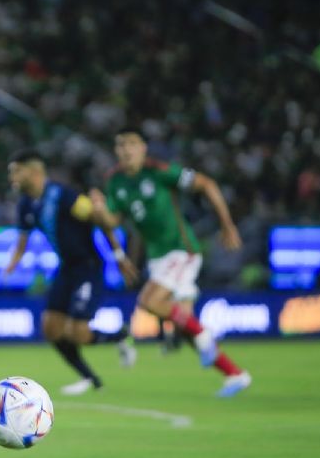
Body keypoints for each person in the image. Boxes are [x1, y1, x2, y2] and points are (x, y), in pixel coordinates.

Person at [90, 127, 252, 398]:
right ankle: (235, 374)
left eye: (132, 144)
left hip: (181, 249)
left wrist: (228, 225)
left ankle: (205, 336)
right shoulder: (115, 181)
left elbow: (207, 184)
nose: (126, 150)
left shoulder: (161, 171)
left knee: (148, 301)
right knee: (183, 325)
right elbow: (112, 222)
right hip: (158, 257)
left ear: (143, 148)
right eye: (121, 146)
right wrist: (99, 212)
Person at [3, 150, 139, 396]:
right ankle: (90, 378)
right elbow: (23, 239)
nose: (11, 175)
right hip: (66, 268)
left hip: (88, 267)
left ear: (33, 172)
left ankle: (121, 335)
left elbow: (100, 220)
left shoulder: (64, 196)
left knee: (77, 332)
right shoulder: (26, 203)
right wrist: (13, 263)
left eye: (16, 170)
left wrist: (119, 256)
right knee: (51, 329)